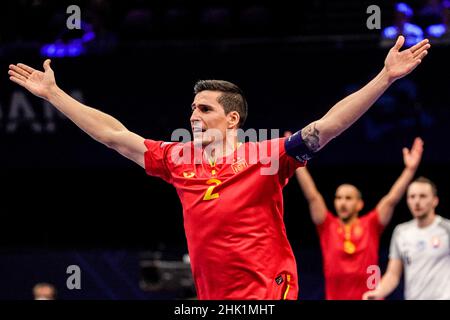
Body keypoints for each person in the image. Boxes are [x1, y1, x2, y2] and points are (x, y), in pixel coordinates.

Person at [7, 35, 430, 300]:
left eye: (205, 108)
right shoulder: (177, 159)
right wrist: (55, 96)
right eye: (192, 107)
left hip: (270, 291)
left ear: (231, 120)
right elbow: (113, 135)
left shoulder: (266, 156)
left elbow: (327, 127)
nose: (193, 114)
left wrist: (384, 78)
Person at [291, 136, 424, 300]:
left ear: (359, 204)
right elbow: (312, 195)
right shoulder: (327, 225)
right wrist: (296, 159)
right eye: (338, 198)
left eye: (348, 198)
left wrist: (410, 170)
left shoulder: (372, 224)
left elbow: (391, 199)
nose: (342, 203)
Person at [363, 177, 450, 300]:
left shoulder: (447, 229)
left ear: (435, 201)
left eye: (423, 196)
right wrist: (378, 292)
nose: (417, 201)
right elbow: (393, 274)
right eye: (412, 197)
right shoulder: (401, 232)